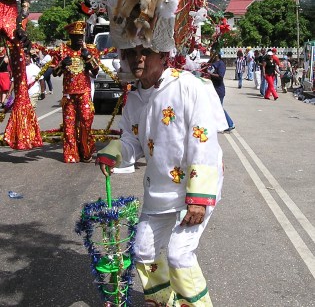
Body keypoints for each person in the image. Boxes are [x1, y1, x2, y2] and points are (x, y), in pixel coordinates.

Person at [97, 44, 224, 306]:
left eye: (144, 51)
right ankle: (165, 303)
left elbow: (204, 141)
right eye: (130, 53)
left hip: (194, 187)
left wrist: (199, 197)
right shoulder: (133, 99)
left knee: (179, 255)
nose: (137, 58)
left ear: (162, 54)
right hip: (158, 190)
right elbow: (134, 141)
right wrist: (116, 149)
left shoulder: (187, 86)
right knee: (143, 251)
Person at [0, 0, 42, 149]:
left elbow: (25, 0)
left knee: (19, 60)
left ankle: (21, 129)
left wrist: (21, 23)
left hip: (10, 13)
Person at [51, 21, 100, 163]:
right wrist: (61, 65)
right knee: (69, 125)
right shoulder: (62, 50)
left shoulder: (89, 49)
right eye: (76, 36)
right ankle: (71, 154)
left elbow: (95, 71)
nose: (79, 39)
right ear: (70, 36)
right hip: (68, 95)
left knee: (86, 121)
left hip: (84, 92)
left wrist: (88, 57)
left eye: (81, 36)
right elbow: (55, 73)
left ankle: (86, 151)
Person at [208, 51, 235, 131]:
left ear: (217, 55)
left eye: (212, 53)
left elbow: (220, 76)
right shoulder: (212, 63)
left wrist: (210, 74)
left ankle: (230, 124)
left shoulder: (221, 64)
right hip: (213, 88)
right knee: (214, 107)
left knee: (219, 108)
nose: (210, 54)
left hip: (219, 89)